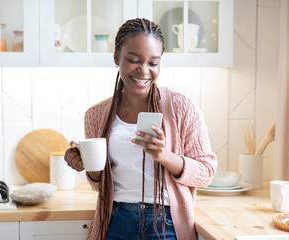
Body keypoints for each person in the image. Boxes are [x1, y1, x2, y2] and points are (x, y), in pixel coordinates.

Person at [64, 18, 217, 240]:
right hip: (114, 220)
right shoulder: (96, 115)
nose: (143, 70)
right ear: (117, 57)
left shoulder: (180, 107)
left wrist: (164, 156)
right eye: (134, 60)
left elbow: (206, 172)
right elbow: (99, 183)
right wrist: (85, 161)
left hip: (165, 223)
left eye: (153, 63)